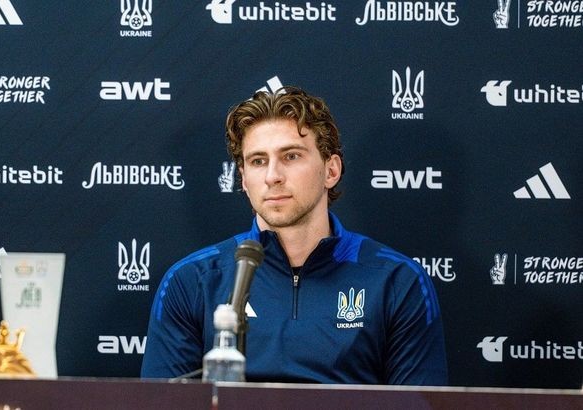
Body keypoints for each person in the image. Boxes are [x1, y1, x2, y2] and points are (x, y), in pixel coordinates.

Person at [141, 87, 447, 384]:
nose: (273, 176)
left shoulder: (396, 280)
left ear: (331, 170)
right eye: (258, 161)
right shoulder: (193, 282)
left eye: (291, 156)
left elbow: (418, 405)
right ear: (244, 179)